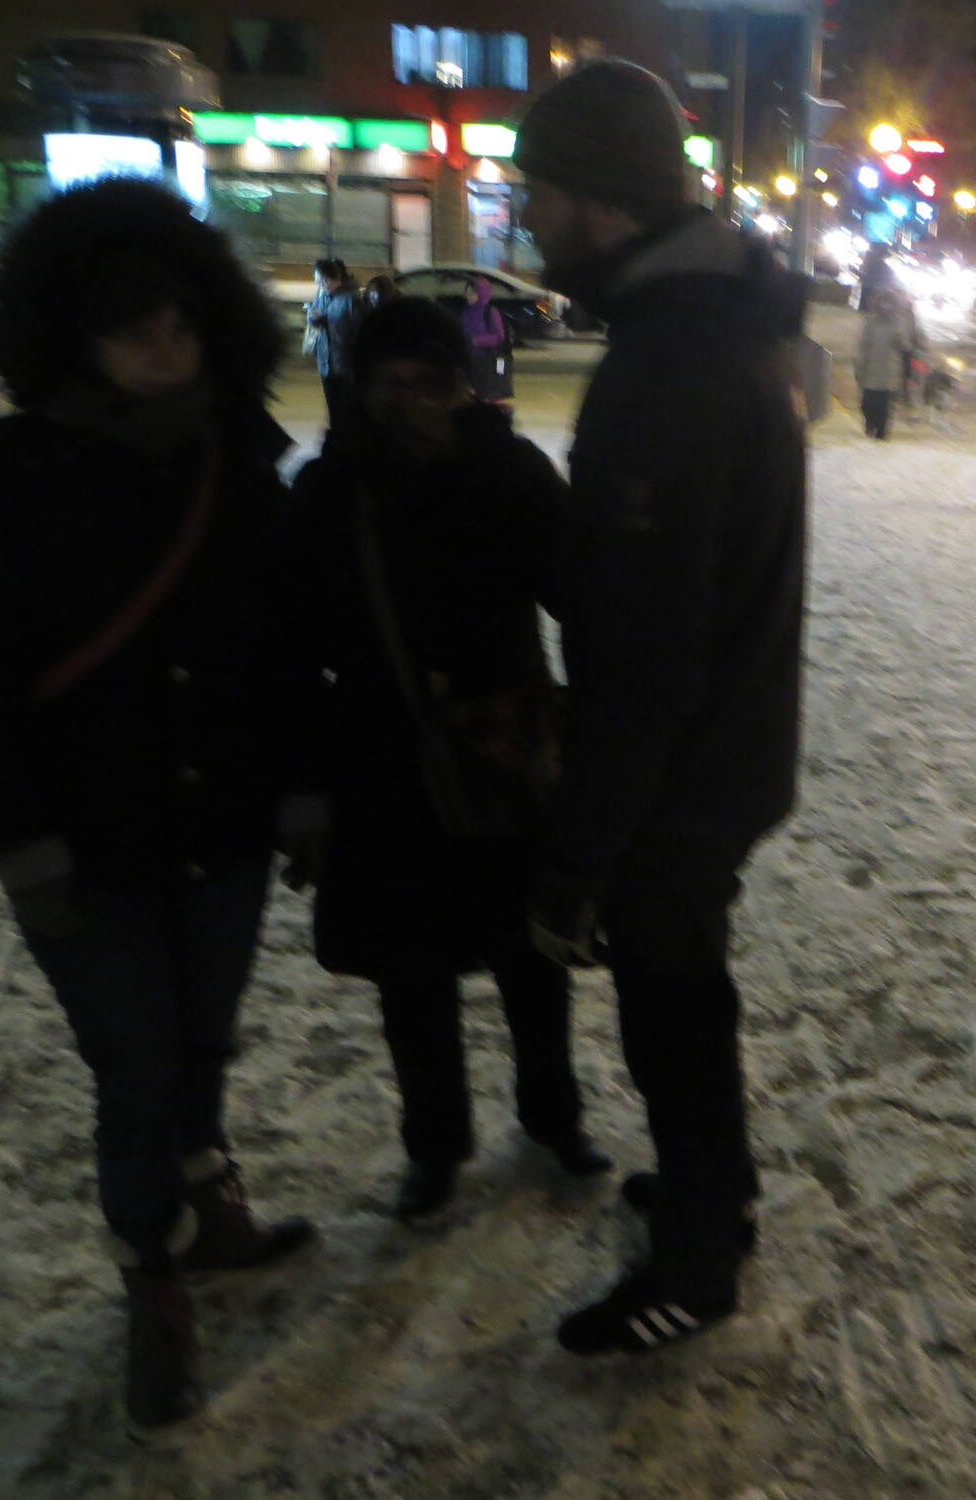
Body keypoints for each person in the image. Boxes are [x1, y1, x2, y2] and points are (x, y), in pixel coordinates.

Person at [0, 179, 318, 1428]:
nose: (165, 352)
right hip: (86, 844)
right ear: (75, 339)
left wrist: (304, 786)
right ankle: (150, 1272)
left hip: (223, 825)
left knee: (202, 1038)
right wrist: (20, 841)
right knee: (135, 1067)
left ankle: (207, 1199)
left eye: (181, 328)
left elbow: (285, 649)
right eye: (134, 331)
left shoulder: (238, 462)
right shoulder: (10, 476)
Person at [514, 58, 807, 1356]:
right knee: (687, 1000)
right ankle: (710, 1193)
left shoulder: (670, 362)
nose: (528, 218)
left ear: (604, 201)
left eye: (540, 192)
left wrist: (578, 858)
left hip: (676, 775)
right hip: (724, 750)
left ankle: (697, 1260)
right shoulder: (713, 326)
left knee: (672, 1015)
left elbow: (643, 651)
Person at [290, 297, 608, 1221]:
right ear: (361, 388)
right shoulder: (330, 489)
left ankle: (553, 1118)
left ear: (462, 385)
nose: (412, 402)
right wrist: (307, 782)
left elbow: (578, 595)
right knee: (412, 974)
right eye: (390, 383)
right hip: (384, 763)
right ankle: (434, 1148)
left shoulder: (507, 470)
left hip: (506, 750)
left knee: (532, 958)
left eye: (431, 382)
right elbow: (295, 645)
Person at [855, 285, 917, 439]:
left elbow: (907, 347)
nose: (886, 307)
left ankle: (881, 433)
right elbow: (864, 347)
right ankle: (870, 424)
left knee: (885, 406)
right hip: (871, 370)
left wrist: (900, 342)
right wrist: (860, 368)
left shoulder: (899, 324)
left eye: (890, 303)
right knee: (868, 404)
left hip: (890, 372)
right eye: (883, 303)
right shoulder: (871, 323)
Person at [308, 257, 363, 429]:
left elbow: (359, 332)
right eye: (318, 281)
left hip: (345, 365)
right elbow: (315, 318)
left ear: (333, 278)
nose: (320, 285)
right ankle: (336, 438)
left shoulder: (351, 299)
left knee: (345, 412)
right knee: (333, 411)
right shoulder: (322, 295)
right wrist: (313, 317)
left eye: (322, 280)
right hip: (326, 363)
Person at [457, 274, 512, 405]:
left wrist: (476, 341)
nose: (468, 295)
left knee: (489, 395)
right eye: (467, 292)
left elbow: (499, 337)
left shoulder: (490, 312)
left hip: (487, 360)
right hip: (470, 360)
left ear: (481, 294)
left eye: (472, 292)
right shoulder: (466, 312)